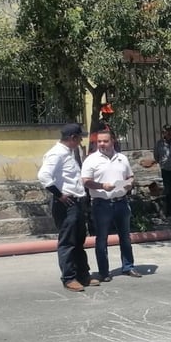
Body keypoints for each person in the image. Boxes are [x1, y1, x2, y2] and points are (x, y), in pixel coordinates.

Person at [37, 123, 100, 292]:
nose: (81, 141)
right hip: (66, 203)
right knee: (68, 242)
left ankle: (83, 275)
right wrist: (59, 195)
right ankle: (69, 277)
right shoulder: (56, 154)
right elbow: (43, 176)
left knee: (79, 240)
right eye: (79, 138)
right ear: (73, 138)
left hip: (77, 202)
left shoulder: (69, 153)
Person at [81, 129, 141, 281]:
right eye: (99, 141)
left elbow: (130, 176)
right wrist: (102, 186)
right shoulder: (91, 160)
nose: (101, 144)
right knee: (101, 239)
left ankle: (128, 266)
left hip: (121, 202)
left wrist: (129, 184)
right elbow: (85, 181)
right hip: (102, 204)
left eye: (105, 141)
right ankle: (104, 272)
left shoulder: (122, 158)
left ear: (112, 141)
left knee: (125, 238)